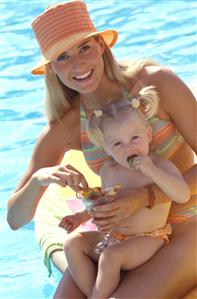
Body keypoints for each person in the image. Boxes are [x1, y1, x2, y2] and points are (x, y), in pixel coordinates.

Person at [6, 1, 197, 298]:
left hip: (188, 218)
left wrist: (145, 198)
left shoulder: (156, 83)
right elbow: (15, 219)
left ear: (100, 45)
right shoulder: (66, 126)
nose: (78, 65)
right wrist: (40, 179)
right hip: (117, 240)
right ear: (51, 69)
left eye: (84, 48)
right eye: (62, 57)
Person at [59, 95, 190, 299]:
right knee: (72, 244)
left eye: (134, 139)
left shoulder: (161, 166)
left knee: (110, 258)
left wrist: (152, 171)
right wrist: (80, 217)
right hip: (114, 239)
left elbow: (181, 195)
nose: (128, 148)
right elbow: (103, 202)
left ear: (148, 134)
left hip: (148, 239)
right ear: (106, 149)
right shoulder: (109, 170)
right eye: (117, 144)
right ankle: (92, 293)